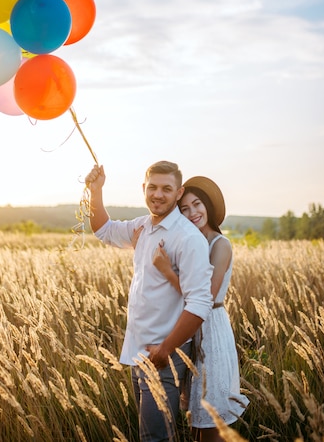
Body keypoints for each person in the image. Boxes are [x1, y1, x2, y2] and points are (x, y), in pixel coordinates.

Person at [85, 161, 213, 442]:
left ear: (178, 193)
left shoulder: (188, 238)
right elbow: (103, 230)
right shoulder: (142, 226)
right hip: (138, 350)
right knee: (150, 435)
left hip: (163, 355)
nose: (158, 194)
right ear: (144, 188)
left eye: (166, 189)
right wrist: (96, 192)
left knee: (155, 438)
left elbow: (200, 304)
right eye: (152, 187)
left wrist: (165, 350)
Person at [151, 176, 249, 442]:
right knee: (196, 419)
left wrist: (166, 271)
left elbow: (206, 296)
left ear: (208, 206)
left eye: (197, 204)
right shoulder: (191, 244)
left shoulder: (220, 245)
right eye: (184, 208)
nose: (192, 212)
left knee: (212, 420)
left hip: (212, 331)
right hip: (189, 330)